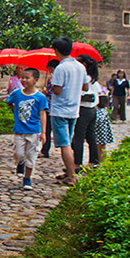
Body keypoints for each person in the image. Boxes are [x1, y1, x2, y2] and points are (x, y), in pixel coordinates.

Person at [48, 37, 90, 186]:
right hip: (74, 109)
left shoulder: (61, 68)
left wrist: (51, 85)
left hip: (60, 110)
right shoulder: (80, 67)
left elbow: (57, 90)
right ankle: (69, 171)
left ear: (57, 50)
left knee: (64, 144)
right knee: (69, 142)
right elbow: (85, 87)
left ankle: (72, 177)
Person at [5, 67, 48, 190]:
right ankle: (20, 163)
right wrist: (14, 110)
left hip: (34, 131)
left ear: (35, 80)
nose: (24, 80)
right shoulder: (17, 94)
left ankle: (27, 178)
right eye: (22, 77)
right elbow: (9, 101)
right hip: (19, 130)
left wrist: (43, 132)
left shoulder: (40, 97)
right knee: (18, 154)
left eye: (27, 77)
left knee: (31, 156)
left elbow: (42, 114)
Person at [72, 54, 102, 171]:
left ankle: (77, 163)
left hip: (84, 109)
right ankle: (93, 161)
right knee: (91, 136)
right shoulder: (93, 79)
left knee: (79, 138)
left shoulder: (86, 78)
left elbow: (87, 95)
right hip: (91, 110)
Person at [39, 59, 60, 158]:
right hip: (49, 106)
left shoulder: (58, 78)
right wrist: (46, 92)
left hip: (55, 106)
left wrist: (53, 83)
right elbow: (50, 92)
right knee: (46, 130)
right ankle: (45, 150)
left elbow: (57, 91)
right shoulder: (50, 79)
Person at [94, 81, 114, 161]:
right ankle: (100, 160)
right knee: (101, 147)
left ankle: (101, 161)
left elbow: (98, 120)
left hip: (100, 133)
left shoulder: (99, 111)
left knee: (101, 147)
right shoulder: (103, 110)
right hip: (102, 133)